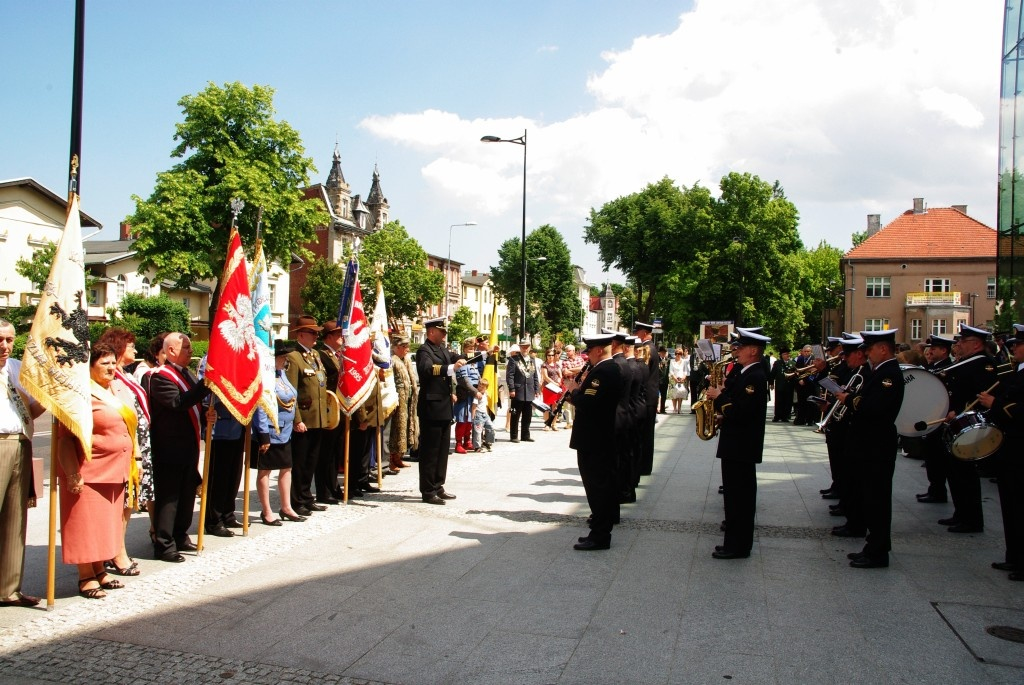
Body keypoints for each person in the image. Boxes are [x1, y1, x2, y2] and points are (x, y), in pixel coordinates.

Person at [55, 343, 136, 598]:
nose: (112, 368)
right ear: (89, 368)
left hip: (116, 469)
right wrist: (71, 473)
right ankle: (85, 575)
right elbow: (65, 439)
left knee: (105, 524)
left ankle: (100, 569)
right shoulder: (79, 395)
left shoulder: (113, 390)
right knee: (85, 525)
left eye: (114, 362)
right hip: (88, 471)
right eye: (104, 363)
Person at [833, 329, 905, 568]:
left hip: (876, 445)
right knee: (870, 497)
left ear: (883, 349)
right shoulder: (879, 372)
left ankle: (878, 551)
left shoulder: (889, 374)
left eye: (870, 349)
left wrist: (850, 399)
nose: (867, 354)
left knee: (877, 500)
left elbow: (874, 407)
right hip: (868, 443)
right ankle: (872, 546)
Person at [706, 329, 770, 559]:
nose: (736, 351)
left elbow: (743, 412)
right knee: (733, 498)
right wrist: (724, 415)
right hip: (737, 444)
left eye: (741, 348)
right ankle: (732, 542)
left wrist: (719, 397)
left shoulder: (755, 376)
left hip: (742, 446)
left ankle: (739, 546)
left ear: (753, 351)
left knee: (740, 499)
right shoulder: (746, 373)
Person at [149, 332, 211, 563]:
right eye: (185, 347)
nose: (190, 350)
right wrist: (206, 384)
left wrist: (207, 414)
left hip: (189, 445)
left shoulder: (187, 374)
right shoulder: (159, 377)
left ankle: (180, 534)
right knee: (170, 498)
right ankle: (164, 544)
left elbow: (194, 406)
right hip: (169, 447)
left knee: (186, 494)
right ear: (171, 350)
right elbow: (178, 403)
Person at [0, 319, 44, 607]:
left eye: (9, 339)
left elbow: (33, 407)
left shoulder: (16, 368)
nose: (4, 346)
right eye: (0, 339)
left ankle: (8, 589)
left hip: (20, 443)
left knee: (15, 519)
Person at [939, 324, 998, 533]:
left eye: (963, 341)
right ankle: (961, 513)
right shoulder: (965, 363)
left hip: (969, 425)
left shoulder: (984, 365)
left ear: (976, 344)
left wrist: (959, 410)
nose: (958, 345)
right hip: (956, 422)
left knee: (966, 474)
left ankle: (972, 519)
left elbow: (982, 397)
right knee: (955, 473)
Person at [98, 327, 147, 576]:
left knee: (128, 502)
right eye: (130, 346)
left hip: (135, 445)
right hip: (121, 447)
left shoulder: (125, 376)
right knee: (120, 502)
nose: (135, 350)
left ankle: (117, 548)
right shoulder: (109, 378)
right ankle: (116, 552)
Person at [977, 328, 1024, 579]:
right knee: (1010, 504)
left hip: (1020, 447)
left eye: (1019, 344)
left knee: (1020, 505)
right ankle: (1014, 556)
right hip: (1010, 447)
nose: (1014, 348)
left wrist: (995, 404)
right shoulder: (1016, 371)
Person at [570, 333, 623, 551]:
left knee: (598, 487)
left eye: (589, 352)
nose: (587, 357)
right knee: (599, 486)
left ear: (599, 350)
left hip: (595, 439)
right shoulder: (604, 369)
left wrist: (573, 391)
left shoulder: (604, 371)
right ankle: (599, 531)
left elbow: (589, 404)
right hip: (597, 437)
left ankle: (600, 535)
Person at [252, 340, 305, 525]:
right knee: (265, 471)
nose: (285, 359)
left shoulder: (281, 373)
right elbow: (261, 406)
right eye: (282, 356)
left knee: (286, 468)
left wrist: (297, 421)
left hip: (286, 430)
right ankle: (266, 511)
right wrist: (263, 433)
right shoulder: (265, 376)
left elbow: (291, 397)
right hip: (269, 431)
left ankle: (286, 507)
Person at [416, 318, 466, 504]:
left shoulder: (442, 350)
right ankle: (428, 490)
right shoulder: (424, 350)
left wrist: (479, 355)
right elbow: (426, 370)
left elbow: (457, 358)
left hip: (444, 406)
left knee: (442, 450)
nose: (444, 335)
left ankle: (438, 485)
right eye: (441, 332)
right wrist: (451, 368)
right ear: (431, 332)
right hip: (431, 407)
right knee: (430, 451)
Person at [284, 316, 330, 516]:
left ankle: (307, 497)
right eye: (312, 333)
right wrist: (297, 420)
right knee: (300, 462)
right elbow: (291, 391)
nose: (316, 336)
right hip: (303, 418)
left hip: (317, 417)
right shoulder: (294, 357)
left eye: (317, 333)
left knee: (312, 460)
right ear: (301, 334)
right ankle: (297, 500)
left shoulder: (315, 356)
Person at [916, 335, 955, 504]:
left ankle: (938, 491)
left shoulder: (949, 368)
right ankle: (934, 489)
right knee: (931, 457)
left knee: (938, 458)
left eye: (934, 348)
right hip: (931, 416)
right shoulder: (933, 367)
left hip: (940, 419)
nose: (930, 351)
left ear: (944, 350)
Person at [316, 320, 345, 502]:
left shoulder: (339, 355)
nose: (342, 337)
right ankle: (324, 489)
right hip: (329, 409)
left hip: (339, 409)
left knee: (336, 451)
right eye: (338, 334)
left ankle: (334, 485)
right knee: (325, 453)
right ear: (329, 337)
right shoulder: (323, 355)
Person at [632, 322, 660, 477]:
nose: (636, 335)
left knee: (644, 435)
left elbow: (641, 373)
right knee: (646, 434)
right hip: (650, 395)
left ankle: (643, 466)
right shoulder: (652, 347)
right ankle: (645, 465)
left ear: (643, 332)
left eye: (637, 332)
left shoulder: (647, 349)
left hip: (646, 397)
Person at [389, 335, 418, 470]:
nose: (407, 349)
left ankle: (399, 456)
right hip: (397, 399)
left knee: (405, 427)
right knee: (396, 429)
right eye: (405, 347)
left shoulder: (405, 360)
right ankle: (391, 458)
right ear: (398, 347)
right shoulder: (392, 361)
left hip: (407, 399)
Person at [506, 339, 539, 443]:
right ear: (519, 347)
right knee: (515, 415)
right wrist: (512, 389)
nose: (525, 348)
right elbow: (510, 375)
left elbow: (535, 376)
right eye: (523, 346)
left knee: (527, 415)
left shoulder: (532, 360)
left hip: (529, 391)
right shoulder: (513, 359)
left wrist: (536, 389)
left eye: (527, 346)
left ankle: (525, 435)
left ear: (530, 347)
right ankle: (514, 436)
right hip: (518, 390)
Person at [453, 337, 480, 452]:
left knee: (470, 420)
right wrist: (475, 391)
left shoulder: (474, 363)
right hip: (464, 394)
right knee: (462, 420)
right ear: (464, 349)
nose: (471, 351)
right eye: (469, 349)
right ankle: (458, 443)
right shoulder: (462, 362)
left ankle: (467, 441)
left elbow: (477, 378)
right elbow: (464, 381)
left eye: (473, 348)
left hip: (473, 395)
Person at [560, 344, 585, 428]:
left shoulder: (580, 359)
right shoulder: (564, 361)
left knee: (576, 402)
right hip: (568, 383)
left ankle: (575, 421)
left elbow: (583, 369)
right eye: (566, 351)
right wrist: (577, 370)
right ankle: (568, 422)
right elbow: (565, 373)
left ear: (573, 351)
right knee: (567, 403)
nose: (567, 352)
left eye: (569, 351)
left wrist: (571, 370)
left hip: (578, 384)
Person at [540, 349, 563, 430]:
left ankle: (554, 424)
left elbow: (560, 375)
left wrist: (559, 380)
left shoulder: (557, 365)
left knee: (555, 406)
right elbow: (546, 377)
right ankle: (547, 424)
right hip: (548, 387)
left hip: (556, 388)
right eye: (549, 355)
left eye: (552, 355)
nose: (551, 357)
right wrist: (554, 383)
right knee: (546, 406)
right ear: (546, 356)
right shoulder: (544, 365)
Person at [770, 348, 794, 422]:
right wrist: (771, 383)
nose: (787, 355)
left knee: (788, 401)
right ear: (782, 355)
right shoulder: (777, 363)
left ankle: (785, 416)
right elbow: (773, 373)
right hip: (780, 384)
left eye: (788, 354)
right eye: (785, 354)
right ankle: (777, 416)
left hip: (789, 385)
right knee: (778, 401)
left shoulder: (792, 363)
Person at [472, 377, 495, 451]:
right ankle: (477, 446)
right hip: (478, 414)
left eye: (482, 387)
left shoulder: (486, 394)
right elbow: (474, 406)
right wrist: (473, 416)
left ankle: (487, 442)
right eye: (479, 386)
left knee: (490, 427)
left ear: (486, 388)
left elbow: (486, 405)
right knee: (478, 431)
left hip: (485, 414)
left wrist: (487, 414)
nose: (480, 388)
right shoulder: (477, 396)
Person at [669, 347, 690, 414]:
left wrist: (683, 378)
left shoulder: (684, 362)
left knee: (680, 394)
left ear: (681, 354)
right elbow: (671, 371)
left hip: (681, 379)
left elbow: (686, 371)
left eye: (680, 354)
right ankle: (674, 408)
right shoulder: (672, 361)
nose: (678, 355)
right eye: (677, 353)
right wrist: (675, 378)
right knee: (674, 394)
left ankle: (679, 409)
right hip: (673, 378)